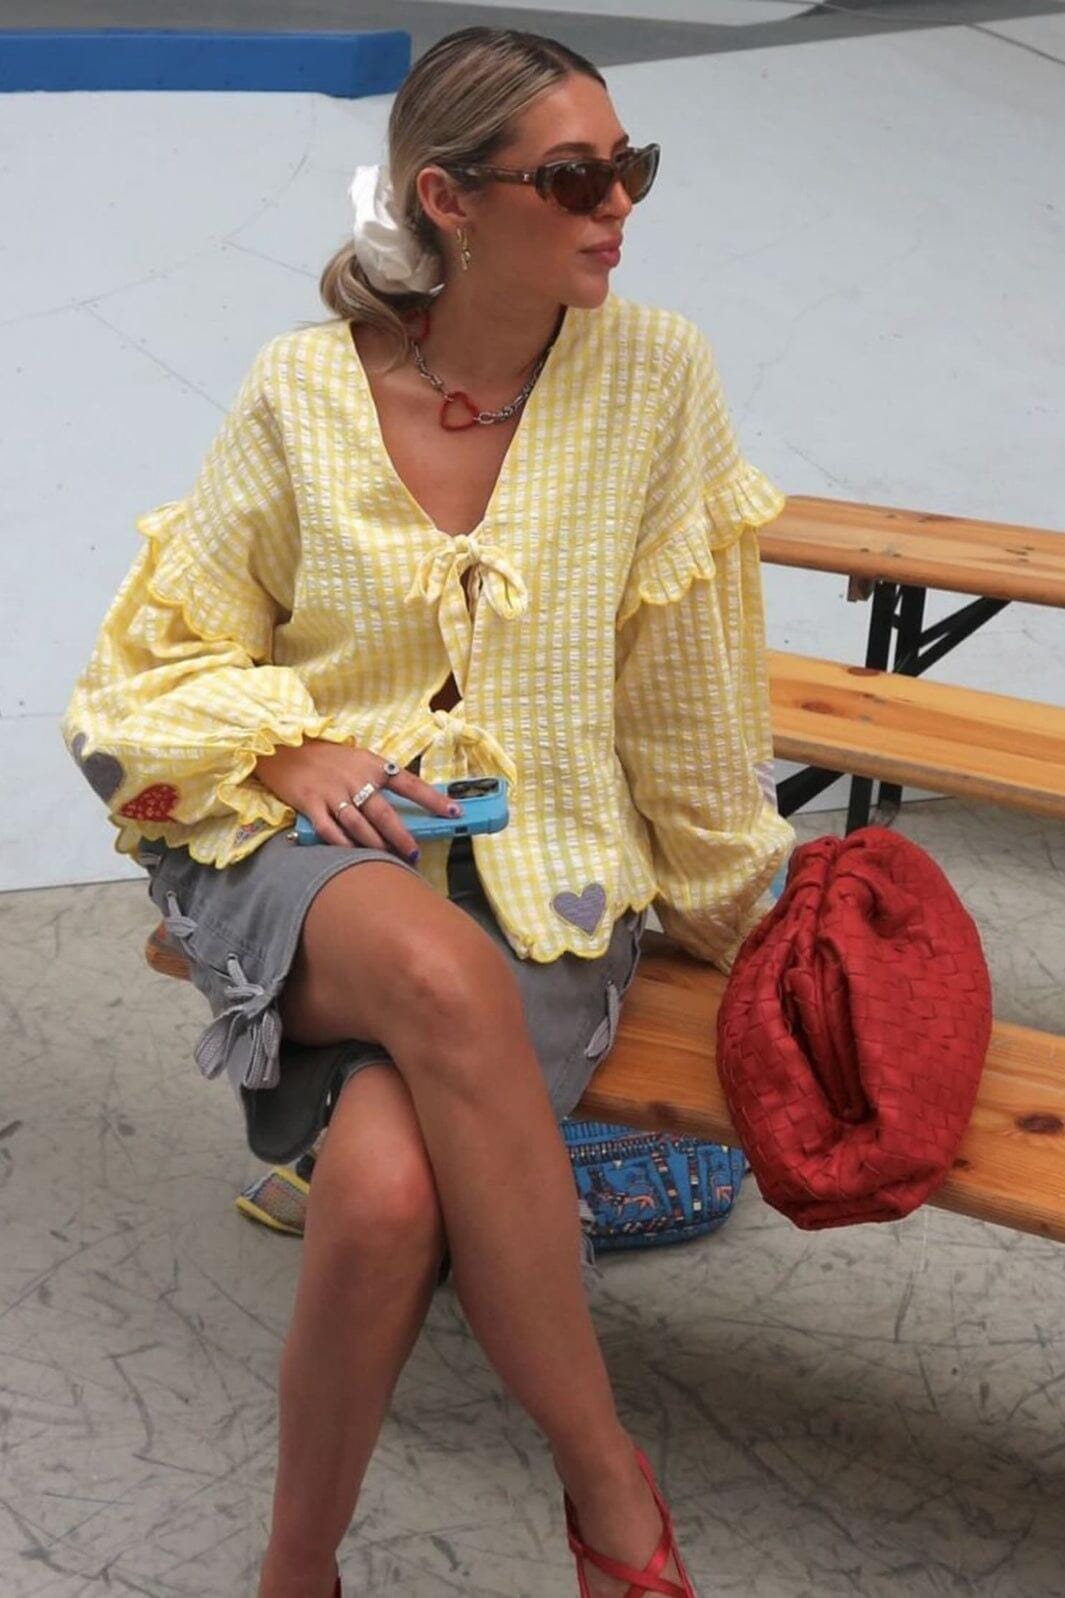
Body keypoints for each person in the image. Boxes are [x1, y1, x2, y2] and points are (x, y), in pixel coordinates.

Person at [62, 26, 794, 1598]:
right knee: (438, 972)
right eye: (575, 177)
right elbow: (135, 679)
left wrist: (746, 915)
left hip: (547, 881)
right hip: (295, 856)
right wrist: (284, 748)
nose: (618, 204)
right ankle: (612, 1496)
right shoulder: (301, 390)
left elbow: (683, 694)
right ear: (447, 200)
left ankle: (293, 1573)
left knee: (388, 1192)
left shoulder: (656, 375)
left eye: (630, 166)